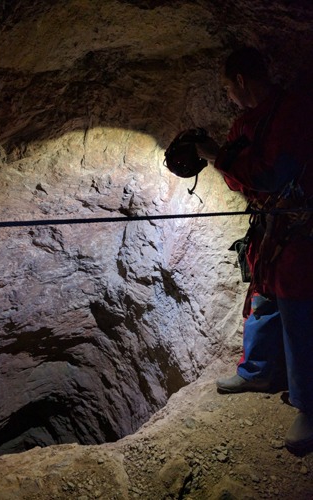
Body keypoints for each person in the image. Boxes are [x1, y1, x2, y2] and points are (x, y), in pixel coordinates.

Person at [197, 46, 313, 453]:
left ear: (242, 81)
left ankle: (309, 406)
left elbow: (270, 174)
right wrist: (226, 161)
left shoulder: (293, 112)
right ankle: (260, 370)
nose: (228, 96)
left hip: (301, 228)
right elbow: (241, 181)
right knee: (263, 296)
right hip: (271, 226)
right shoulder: (246, 124)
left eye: (228, 87)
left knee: (299, 310)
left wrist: (219, 156)